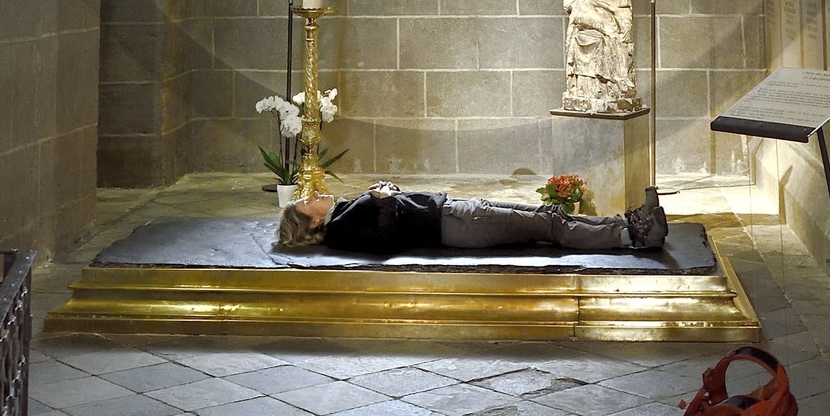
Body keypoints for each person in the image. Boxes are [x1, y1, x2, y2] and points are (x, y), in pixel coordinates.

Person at [277, 180, 668, 257]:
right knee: (549, 228)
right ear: (312, 223)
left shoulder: (343, 210)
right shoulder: (341, 229)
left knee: (549, 213)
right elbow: (383, 241)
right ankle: (632, 238)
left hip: (455, 210)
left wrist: (385, 192)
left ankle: (626, 223)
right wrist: (384, 199)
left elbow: (389, 208)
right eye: (306, 203)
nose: (314, 196)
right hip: (456, 226)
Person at [562, 0, 639, 114]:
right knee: (577, 37)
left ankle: (608, 84)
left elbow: (624, 11)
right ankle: (584, 86)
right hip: (592, 27)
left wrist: (624, 27)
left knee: (600, 40)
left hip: (612, 27)